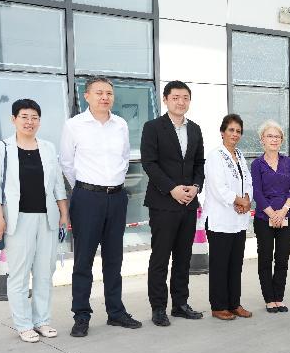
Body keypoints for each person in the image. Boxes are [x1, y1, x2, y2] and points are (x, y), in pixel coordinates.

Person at [60, 76, 141, 337]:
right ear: (87, 96)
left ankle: (116, 312)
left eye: (109, 93)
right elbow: (67, 163)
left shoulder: (121, 125)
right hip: (87, 198)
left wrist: (111, 186)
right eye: (99, 93)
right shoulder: (74, 126)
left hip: (116, 198)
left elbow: (125, 159)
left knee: (114, 259)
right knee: (83, 260)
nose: (104, 97)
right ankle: (81, 315)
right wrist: (86, 189)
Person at [0, 99, 68, 343]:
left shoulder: (48, 148)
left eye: (34, 117)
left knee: (44, 273)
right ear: (14, 119)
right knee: (19, 274)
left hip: (47, 219)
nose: (29, 122)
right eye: (24, 116)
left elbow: (57, 185)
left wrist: (64, 213)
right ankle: (23, 324)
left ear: (39, 121)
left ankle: (42, 320)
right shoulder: (2, 147)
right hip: (17, 220)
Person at [140, 81, 205, 326]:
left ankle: (180, 304)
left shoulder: (196, 129)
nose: (181, 101)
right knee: (160, 257)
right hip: (163, 203)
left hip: (188, 202)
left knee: (183, 256)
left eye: (185, 97)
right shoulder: (153, 127)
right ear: (166, 99)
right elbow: (149, 163)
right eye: (176, 97)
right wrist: (172, 188)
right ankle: (158, 307)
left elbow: (199, 163)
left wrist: (195, 187)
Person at [203, 114, 253, 320]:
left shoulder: (240, 155)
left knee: (235, 264)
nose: (235, 134)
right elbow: (217, 187)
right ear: (222, 132)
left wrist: (247, 200)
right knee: (220, 264)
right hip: (220, 219)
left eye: (238, 131)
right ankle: (218, 305)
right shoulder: (215, 156)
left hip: (238, 220)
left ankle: (234, 303)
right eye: (231, 130)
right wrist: (237, 201)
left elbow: (248, 181)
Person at [251, 120, 290, 313]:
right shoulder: (257, 163)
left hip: (287, 215)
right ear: (262, 139)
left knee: (282, 258)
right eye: (270, 136)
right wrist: (272, 214)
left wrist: (283, 211)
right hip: (264, 218)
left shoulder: (288, 162)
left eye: (277, 136)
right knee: (265, 258)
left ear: (282, 140)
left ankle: (279, 297)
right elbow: (257, 192)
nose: (274, 139)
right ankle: (269, 299)